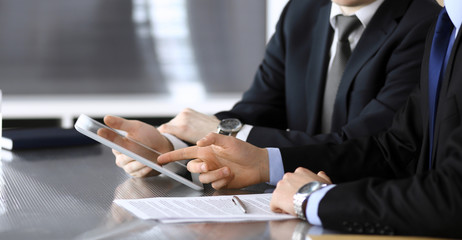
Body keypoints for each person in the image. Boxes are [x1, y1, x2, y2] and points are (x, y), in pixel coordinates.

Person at [157, 0, 462, 237]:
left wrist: (313, 199)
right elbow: (395, 147)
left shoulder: (427, 23)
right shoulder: (448, 25)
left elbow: (449, 195)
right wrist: (169, 143)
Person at [107, 0, 441, 178]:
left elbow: (368, 147)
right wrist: (171, 147)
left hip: (370, 210)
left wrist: (228, 135)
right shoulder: (303, 10)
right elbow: (258, 109)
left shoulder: (426, 23)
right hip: (294, 202)